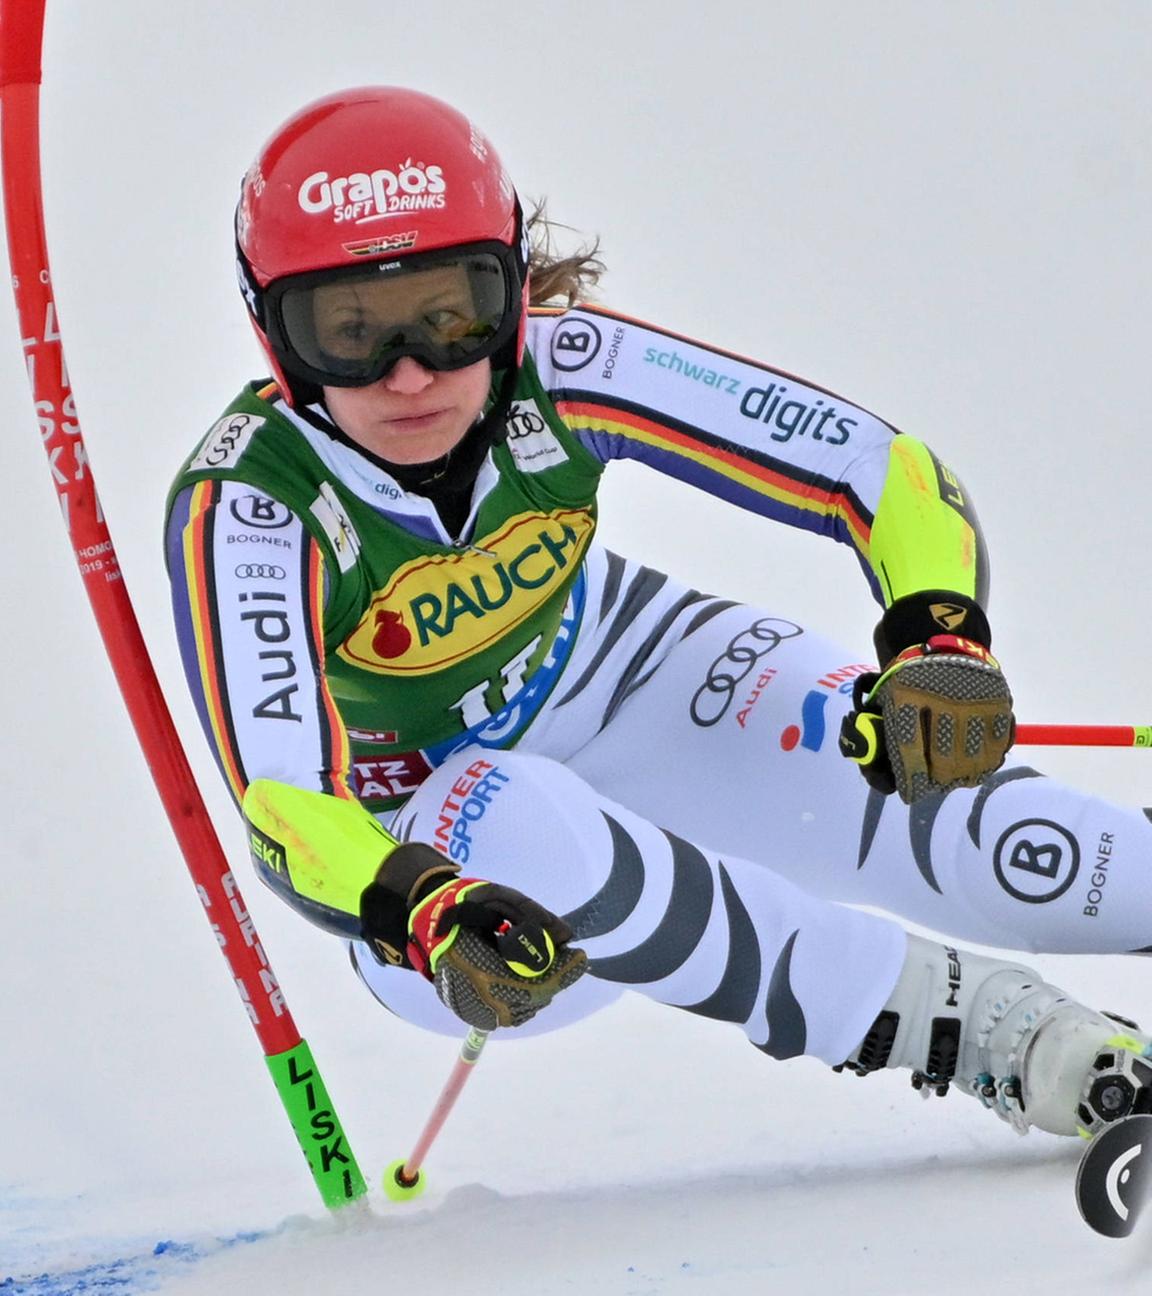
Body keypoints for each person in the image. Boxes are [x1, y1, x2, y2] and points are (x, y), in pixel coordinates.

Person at [166, 85, 1152, 1143]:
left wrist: (936, 630)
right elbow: (283, 801)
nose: (409, 375)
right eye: (347, 333)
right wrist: (420, 903)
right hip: (450, 877)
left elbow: (874, 466)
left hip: (631, 673)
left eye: (451, 315)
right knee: (525, 817)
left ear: (509, 294)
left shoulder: (566, 366)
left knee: (984, 831)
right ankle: (1004, 1039)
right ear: (274, 334)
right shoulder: (255, 505)